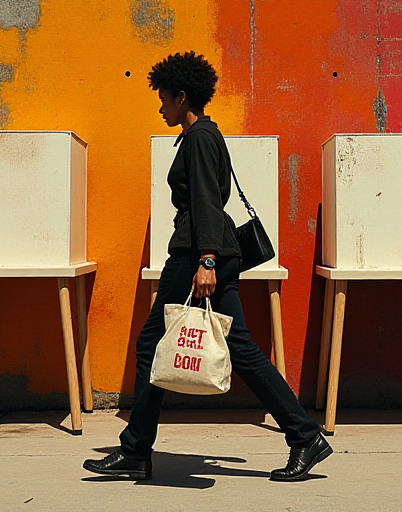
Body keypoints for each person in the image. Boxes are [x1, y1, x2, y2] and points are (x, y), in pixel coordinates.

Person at [83, 51, 331, 482]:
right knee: (240, 349)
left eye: (164, 99)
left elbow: (206, 204)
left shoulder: (198, 137)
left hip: (196, 255)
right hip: (209, 252)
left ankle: (136, 449)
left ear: (182, 97)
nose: (160, 107)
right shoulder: (206, 135)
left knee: (150, 346)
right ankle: (304, 435)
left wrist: (206, 261)